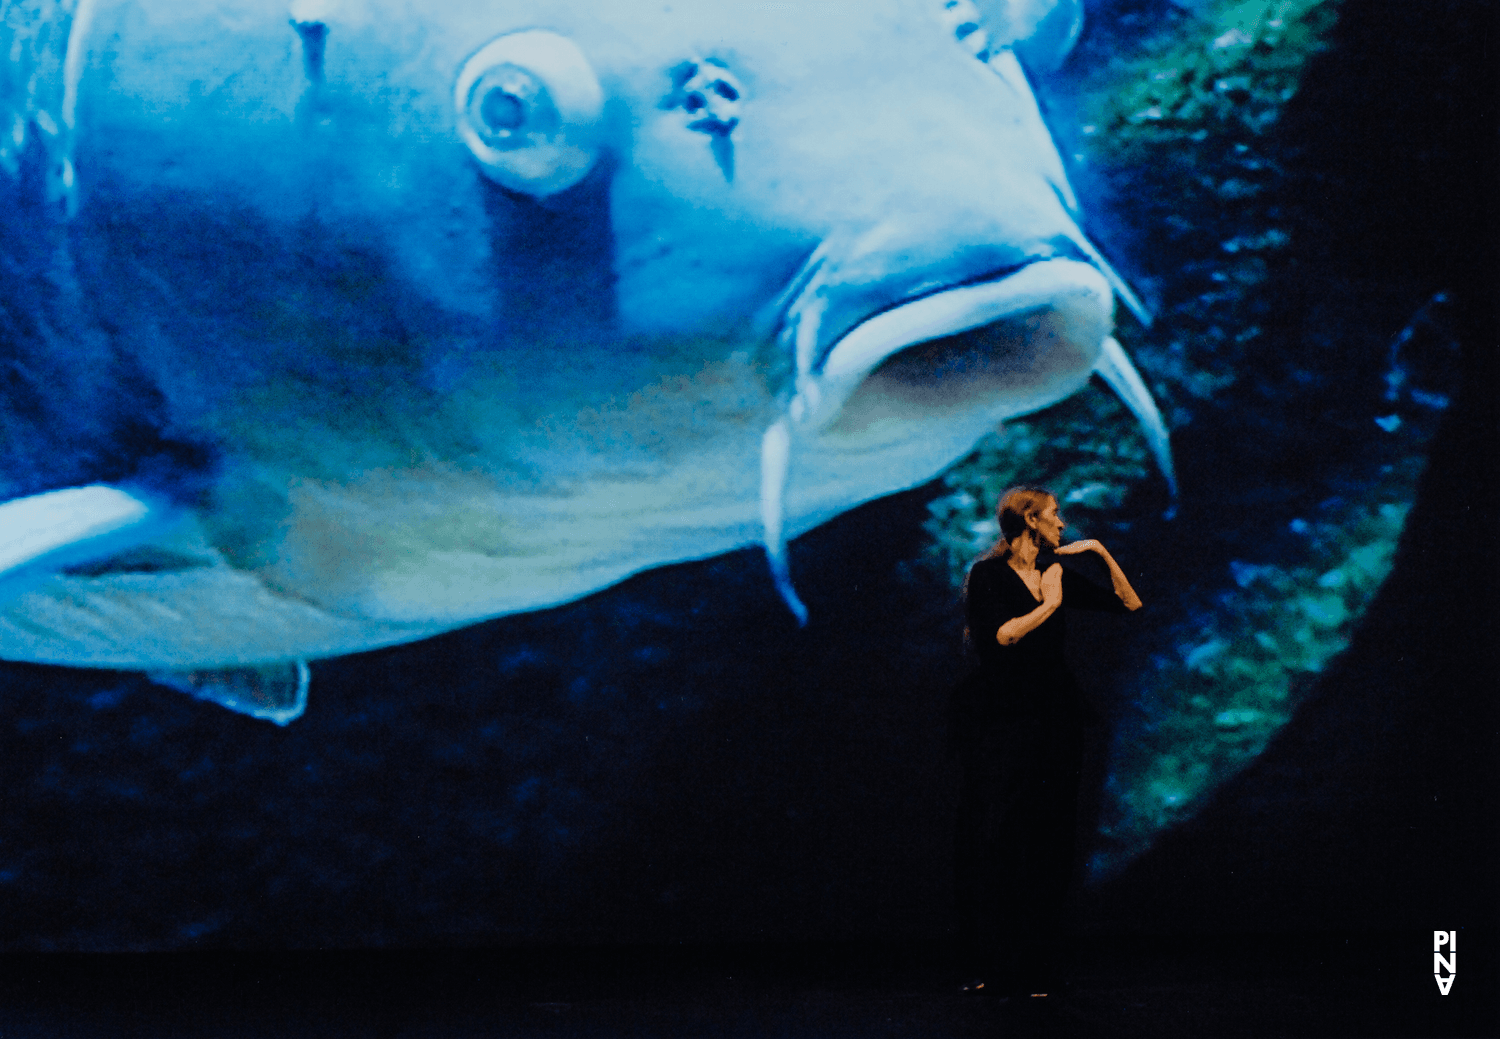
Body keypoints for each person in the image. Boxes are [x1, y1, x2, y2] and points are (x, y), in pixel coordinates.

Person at [952, 485, 1140, 999]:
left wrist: (1100, 554)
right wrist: (1051, 603)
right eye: (1054, 516)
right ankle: (997, 964)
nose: (1062, 524)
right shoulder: (989, 575)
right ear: (1030, 521)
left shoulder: (1057, 569)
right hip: (1007, 719)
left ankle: (1038, 967)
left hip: (1057, 717)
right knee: (1003, 836)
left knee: (1052, 839)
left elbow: (1130, 604)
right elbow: (1003, 636)